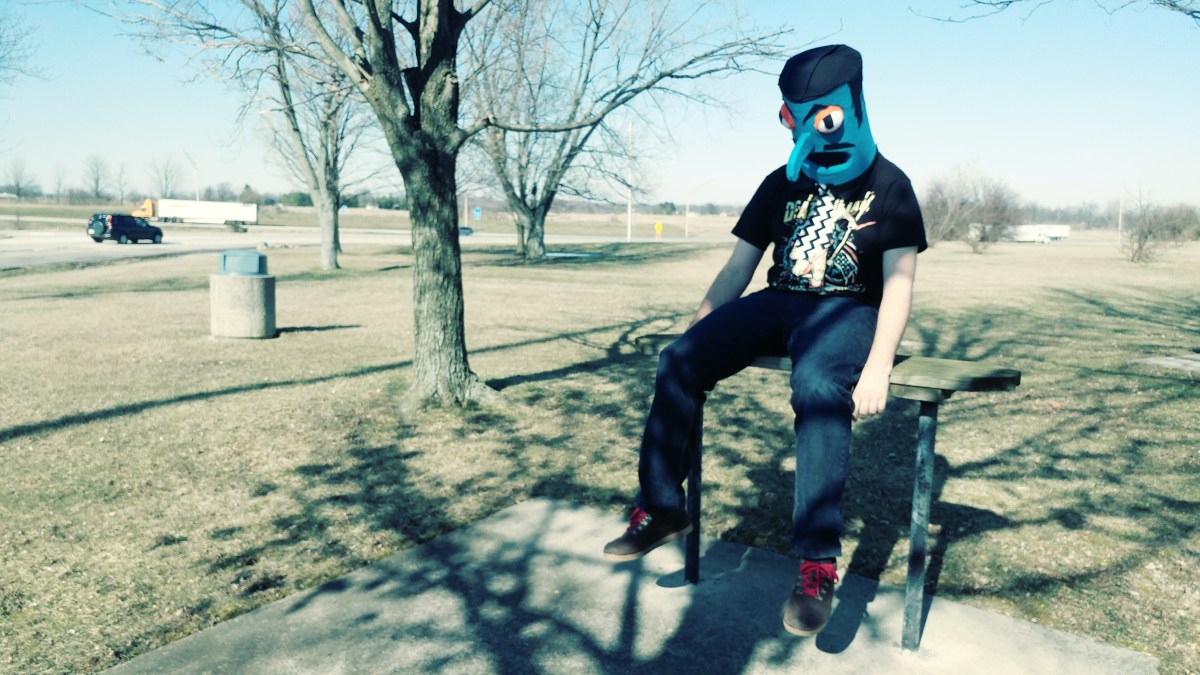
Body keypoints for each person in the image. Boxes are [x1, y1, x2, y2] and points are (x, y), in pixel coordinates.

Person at [602, 44, 927, 637]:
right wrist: (699, 331)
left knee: (818, 384)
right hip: (778, 300)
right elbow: (737, 268)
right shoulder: (782, 182)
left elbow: (900, 281)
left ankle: (816, 565)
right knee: (678, 360)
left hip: (849, 309)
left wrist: (879, 364)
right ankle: (662, 507)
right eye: (791, 118)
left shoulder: (890, 184)